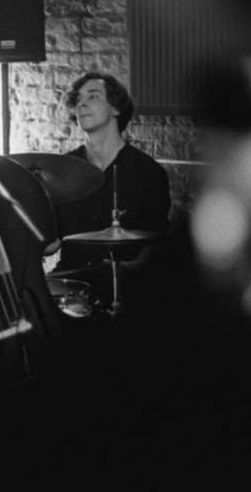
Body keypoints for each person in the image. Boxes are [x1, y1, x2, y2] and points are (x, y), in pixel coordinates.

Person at [47, 71, 171, 312]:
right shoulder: (63, 169)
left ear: (116, 108)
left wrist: (129, 269)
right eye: (78, 99)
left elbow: (155, 243)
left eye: (93, 96)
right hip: (71, 280)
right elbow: (52, 243)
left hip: (126, 283)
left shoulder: (147, 172)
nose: (81, 104)